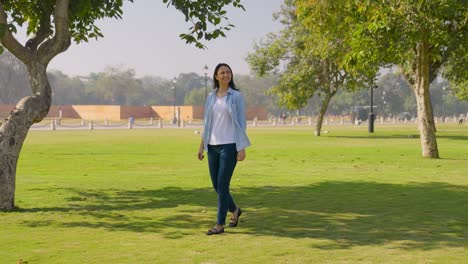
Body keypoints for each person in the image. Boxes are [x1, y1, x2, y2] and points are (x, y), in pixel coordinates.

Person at [197, 63, 251, 235]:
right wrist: (201, 145)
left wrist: (241, 147)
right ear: (216, 76)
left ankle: (219, 225)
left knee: (222, 184)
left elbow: (241, 123)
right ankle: (234, 209)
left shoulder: (236, 96)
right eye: (222, 72)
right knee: (217, 186)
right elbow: (207, 123)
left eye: (228, 72)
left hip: (229, 145)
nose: (226, 75)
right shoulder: (211, 97)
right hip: (212, 146)